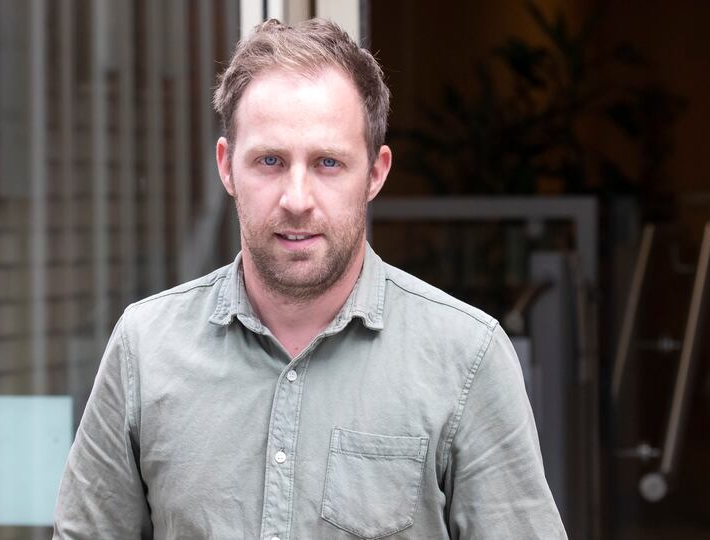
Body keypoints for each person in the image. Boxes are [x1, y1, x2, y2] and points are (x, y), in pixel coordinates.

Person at [53, 18, 567, 539]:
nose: (296, 199)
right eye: (270, 161)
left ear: (375, 172)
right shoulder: (145, 347)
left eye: (327, 163)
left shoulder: (466, 359)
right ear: (227, 167)